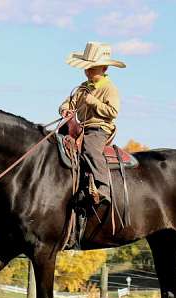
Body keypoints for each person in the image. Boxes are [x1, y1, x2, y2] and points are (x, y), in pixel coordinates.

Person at [59, 42, 126, 204]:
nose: (88, 71)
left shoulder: (110, 89)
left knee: (90, 149)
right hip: (81, 128)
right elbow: (69, 102)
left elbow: (113, 112)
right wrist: (64, 109)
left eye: (92, 68)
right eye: (86, 68)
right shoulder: (83, 87)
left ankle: (103, 187)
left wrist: (93, 102)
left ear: (104, 69)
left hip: (99, 129)